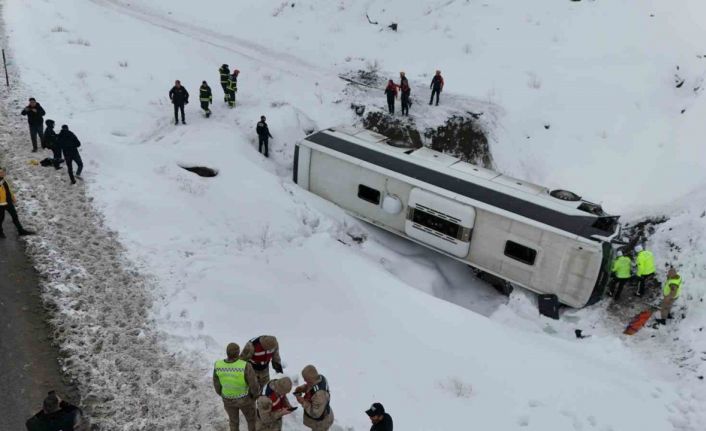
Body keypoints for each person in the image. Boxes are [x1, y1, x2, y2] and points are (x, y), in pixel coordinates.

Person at [213, 342, 260, 431]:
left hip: (227, 400)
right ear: (238, 352)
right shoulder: (245, 366)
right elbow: (253, 384)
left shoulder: (218, 365)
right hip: (245, 400)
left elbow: (216, 384)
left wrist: (223, 394)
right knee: (251, 420)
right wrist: (254, 396)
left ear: (227, 352)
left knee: (233, 422)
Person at [293, 365, 334, 431]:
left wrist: (303, 402)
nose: (304, 380)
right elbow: (312, 386)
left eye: (305, 379)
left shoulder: (320, 395)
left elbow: (315, 413)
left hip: (320, 424)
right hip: (321, 412)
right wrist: (302, 388)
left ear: (310, 379)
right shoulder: (319, 378)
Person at [0, 168, 34, 238]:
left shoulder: (4, 180)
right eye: (1, 172)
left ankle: (20, 230)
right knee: (1, 218)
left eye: (3, 172)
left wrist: (13, 198)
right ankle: (0, 232)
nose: (3, 173)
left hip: (8, 202)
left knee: (14, 216)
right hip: (1, 203)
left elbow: (8, 190)